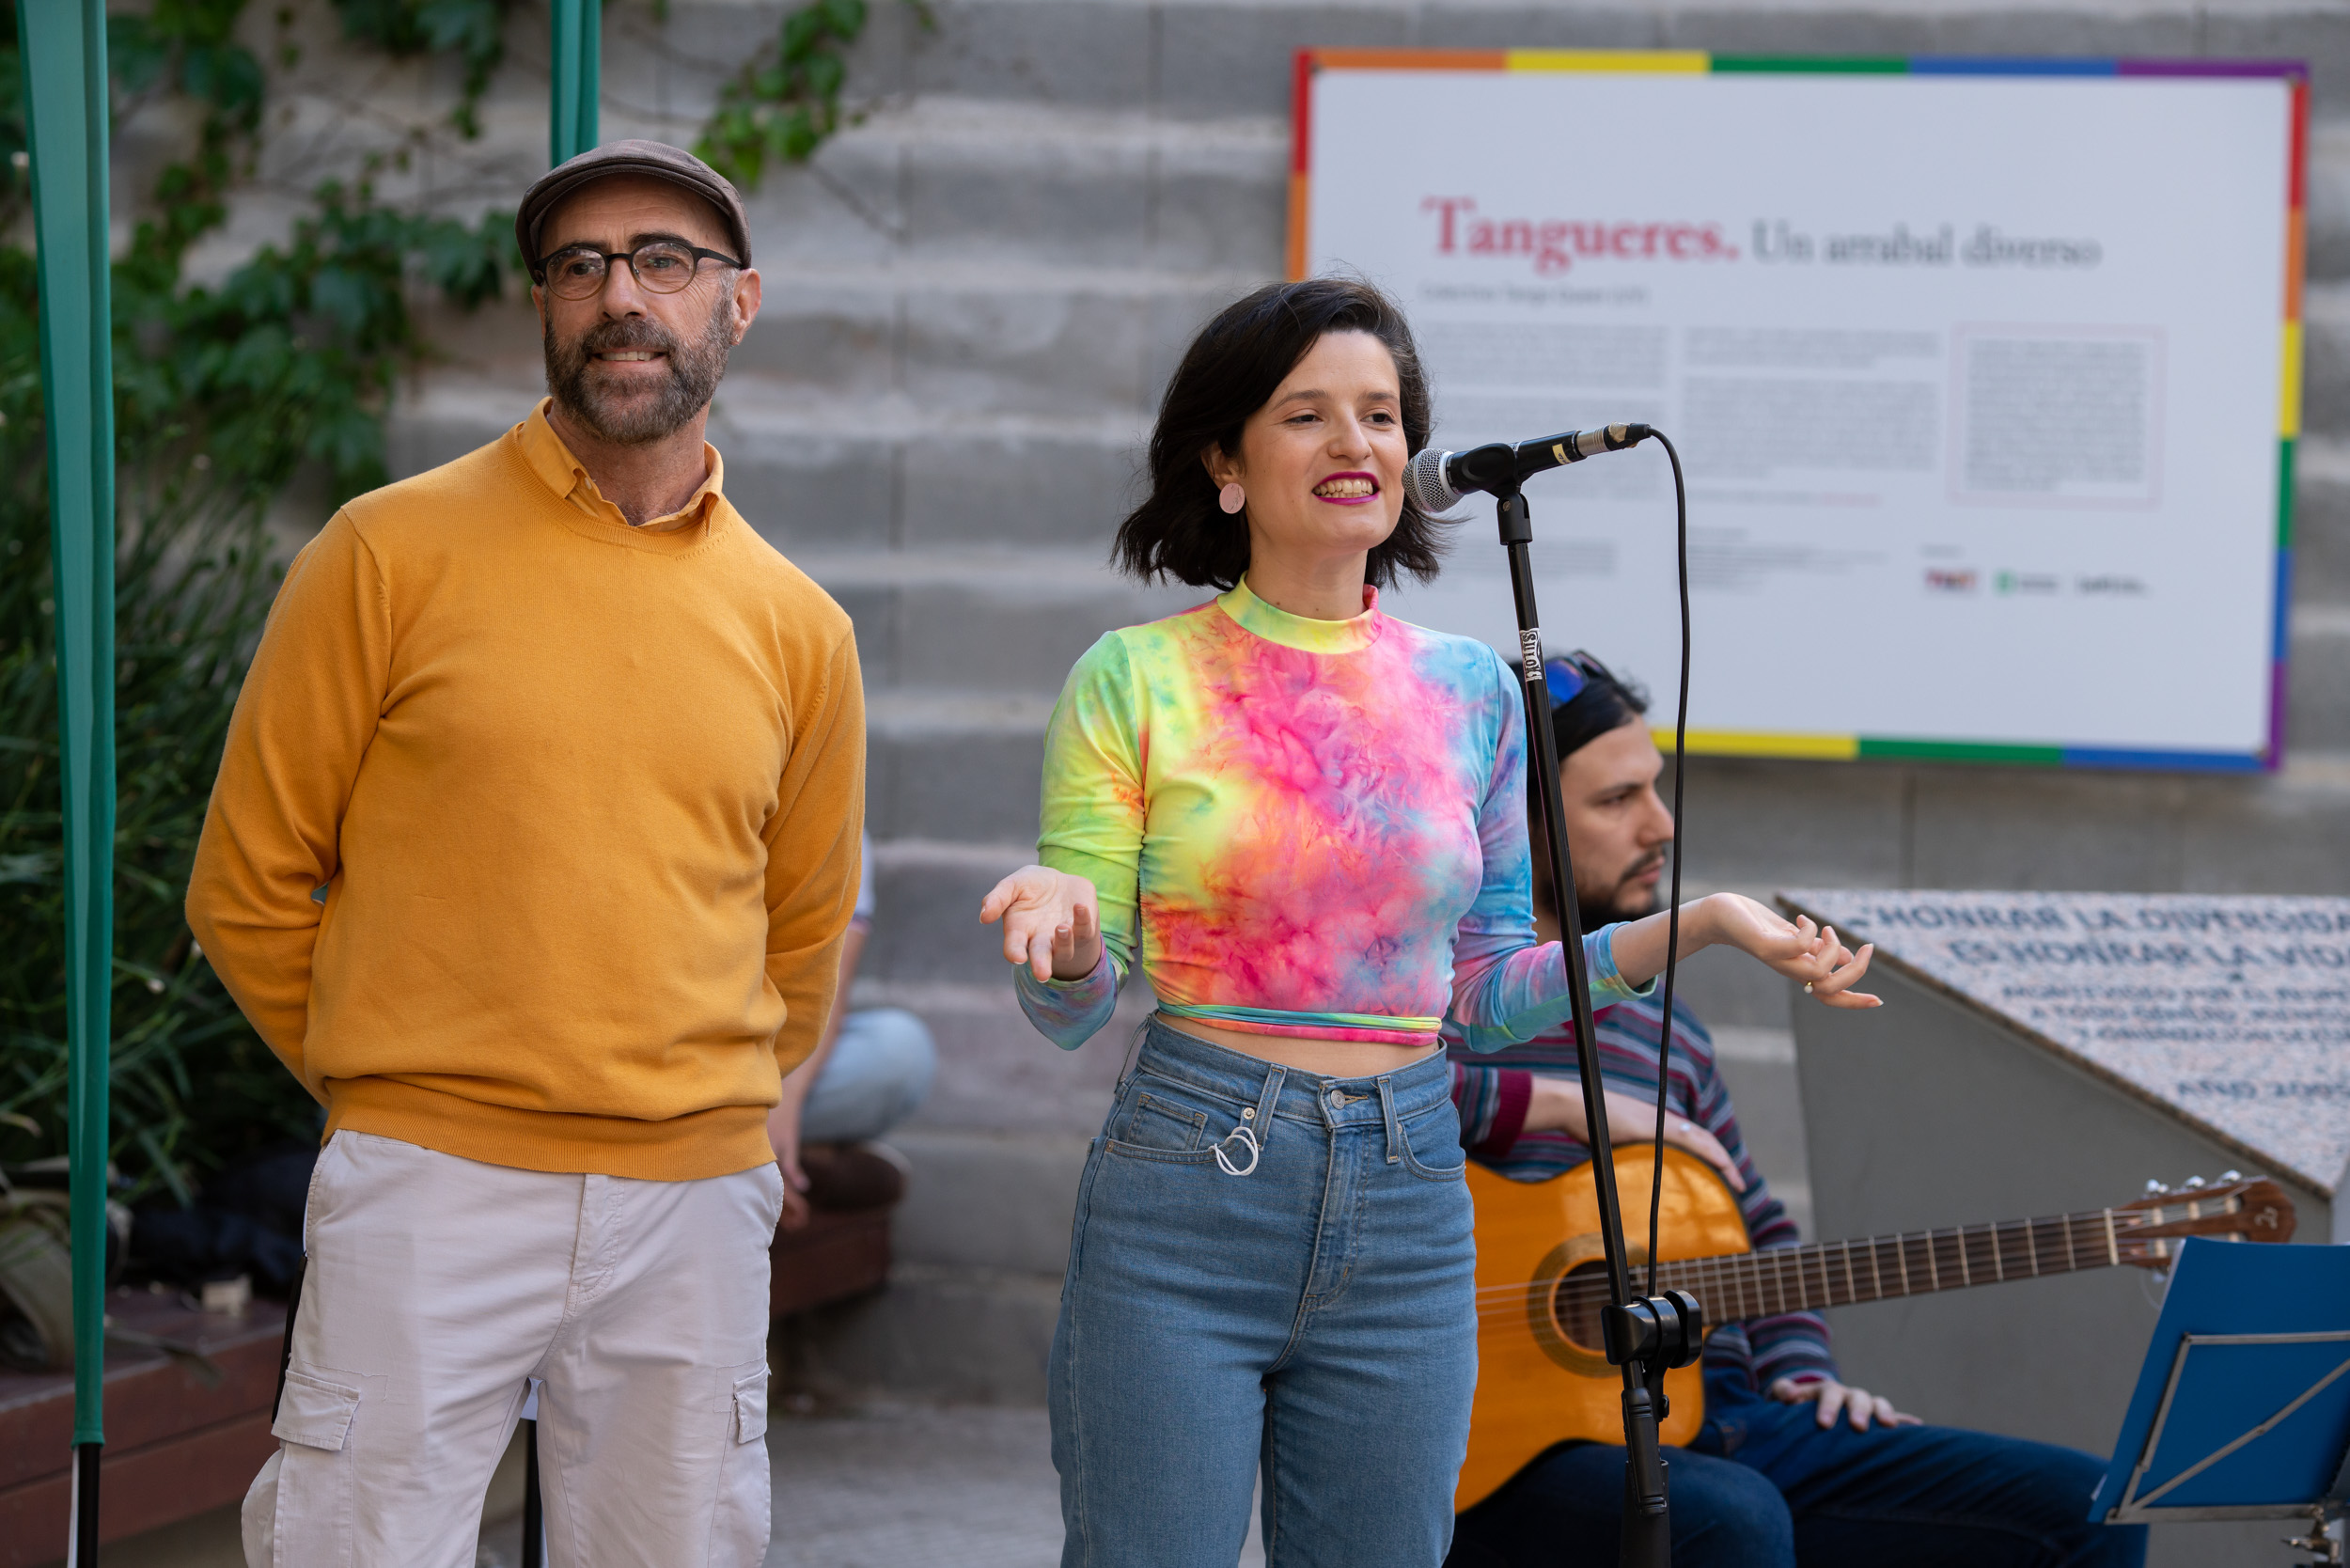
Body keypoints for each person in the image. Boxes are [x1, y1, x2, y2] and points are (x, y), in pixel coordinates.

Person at [976, 277, 1880, 1568]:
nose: (1357, 443)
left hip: (1409, 1188)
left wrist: (1714, 923)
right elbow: (1077, 1005)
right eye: (1308, 415)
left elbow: (1485, 989)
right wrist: (1066, 943)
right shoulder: (1136, 676)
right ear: (1225, 461)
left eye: (1382, 414)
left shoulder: (1470, 690)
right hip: (1195, 1172)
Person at [186, 140, 866, 1567]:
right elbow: (246, 882)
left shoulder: (800, 627)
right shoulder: (382, 554)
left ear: (739, 304)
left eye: (665, 261)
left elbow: (803, 929)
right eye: (581, 265)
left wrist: (709, 1107)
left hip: (693, 1202)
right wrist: (399, 1079)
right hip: (427, 1182)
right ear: (545, 309)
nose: (622, 294)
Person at [1444, 652, 2147, 1568]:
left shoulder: (1667, 1026)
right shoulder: (1431, 1003)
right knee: (1730, 1522)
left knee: (2085, 1508)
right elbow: (1371, 1103)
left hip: (1722, 1412)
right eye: (1616, 802)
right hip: (1516, 1440)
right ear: (1512, 829)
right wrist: (1567, 1105)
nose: (1661, 827)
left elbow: (1757, 1227)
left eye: (1655, 790)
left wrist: (1802, 1373)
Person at [769, 830, 936, 1230]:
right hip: (679, 1053)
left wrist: (783, 1105)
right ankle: (804, 1162)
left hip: (766, 1066)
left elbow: (827, 990)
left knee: (899, 1051)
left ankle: (776, 1154)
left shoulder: (840, 817)